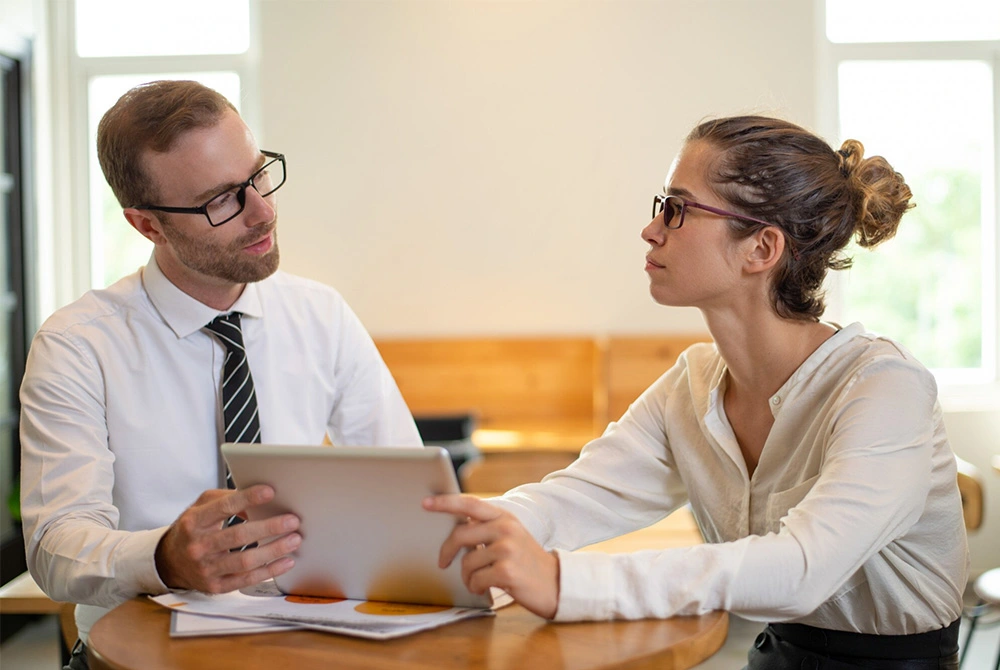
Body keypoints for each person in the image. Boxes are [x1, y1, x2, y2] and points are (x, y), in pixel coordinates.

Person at [425, 115, 968, 668]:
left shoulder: (884, 388)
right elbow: (585, 494)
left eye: (678, 209)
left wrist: (565, 582)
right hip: (776, 656)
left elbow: (803, 568)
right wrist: (466, 528)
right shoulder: (693, 381)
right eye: (661, 204)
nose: (652, 229)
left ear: (761, 248)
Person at [19, 80, 422, 668]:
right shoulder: (77, 344)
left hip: (305, 643)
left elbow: (407, 492)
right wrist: (163, 559)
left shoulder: (321, 314)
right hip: (138, 655)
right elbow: (55, 546)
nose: (262, 211)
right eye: (220, 201)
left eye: (259, 176)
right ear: (147, 226)